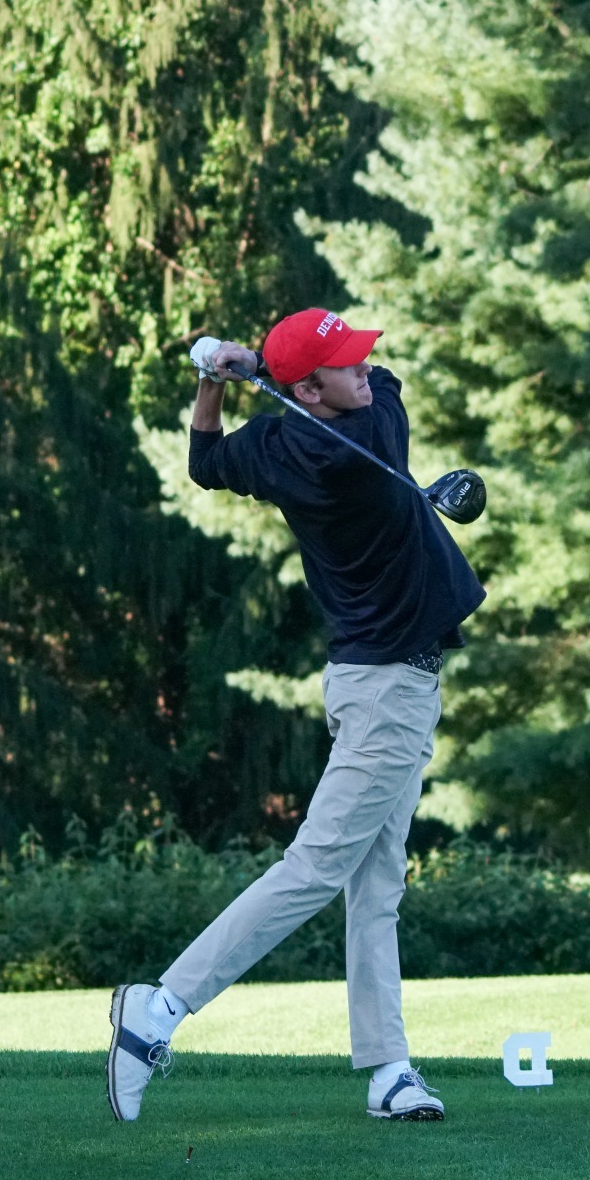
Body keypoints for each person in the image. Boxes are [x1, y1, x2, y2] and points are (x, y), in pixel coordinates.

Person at [106, 307, 486, 1122]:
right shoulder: (370, 439)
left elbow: (206, 460)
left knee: (377, 883)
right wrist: (258, 368)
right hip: (388, 690)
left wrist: (215, 379)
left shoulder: (277, 447)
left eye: (355, 361)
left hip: (372, 679)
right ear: (311, 391)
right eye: (342, 365)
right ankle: (159, 1008)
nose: (364, 370)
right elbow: (386, 390)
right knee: (316, 867)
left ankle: (388, 1068)